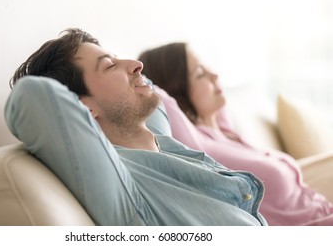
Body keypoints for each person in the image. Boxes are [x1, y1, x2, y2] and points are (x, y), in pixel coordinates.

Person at [5, 28, 268, 226]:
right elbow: (34, 97)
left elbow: (147, 84)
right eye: (109, 66)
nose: (136, 64)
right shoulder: (124, 188)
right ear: (83, 108)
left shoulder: (164, 144)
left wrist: (118, 70)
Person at [138, 42, 333, 226]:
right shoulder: (199, 145)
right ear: (176, 90)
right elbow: (156, 94)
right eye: (200, 74)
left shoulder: (223, 131)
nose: (214, 75)